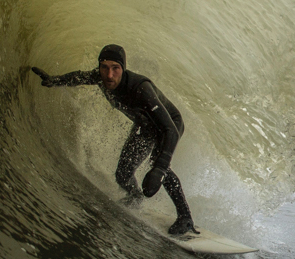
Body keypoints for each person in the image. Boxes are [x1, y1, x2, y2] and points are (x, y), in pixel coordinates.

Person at [30, 44, 199, 235]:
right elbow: (78, 77)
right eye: (104, 67)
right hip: (145, 126)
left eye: (115, 68)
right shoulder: (101, 77)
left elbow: (170, 130)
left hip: (169, 125)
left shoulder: (141, 88)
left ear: (123, 69)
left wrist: (159, 168)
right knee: (123, 174)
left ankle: (185, 217)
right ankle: (135, 197)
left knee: (158, 165)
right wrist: (55, 81)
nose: (109, 75)